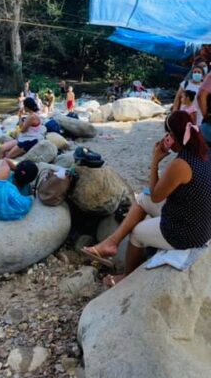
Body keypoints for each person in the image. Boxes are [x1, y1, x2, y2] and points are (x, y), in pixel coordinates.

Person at [82, 111, 211, 286]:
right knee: (143, 198)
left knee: (137, 233)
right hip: (199, 220)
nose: (165, 137)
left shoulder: (181, 164)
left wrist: (155, 160)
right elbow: (153, 194)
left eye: (168, 134)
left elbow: (157, 196)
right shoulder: (203, 151)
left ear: (173, 137)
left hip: (187, 232)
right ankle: (112, 242)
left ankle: (127, 276)